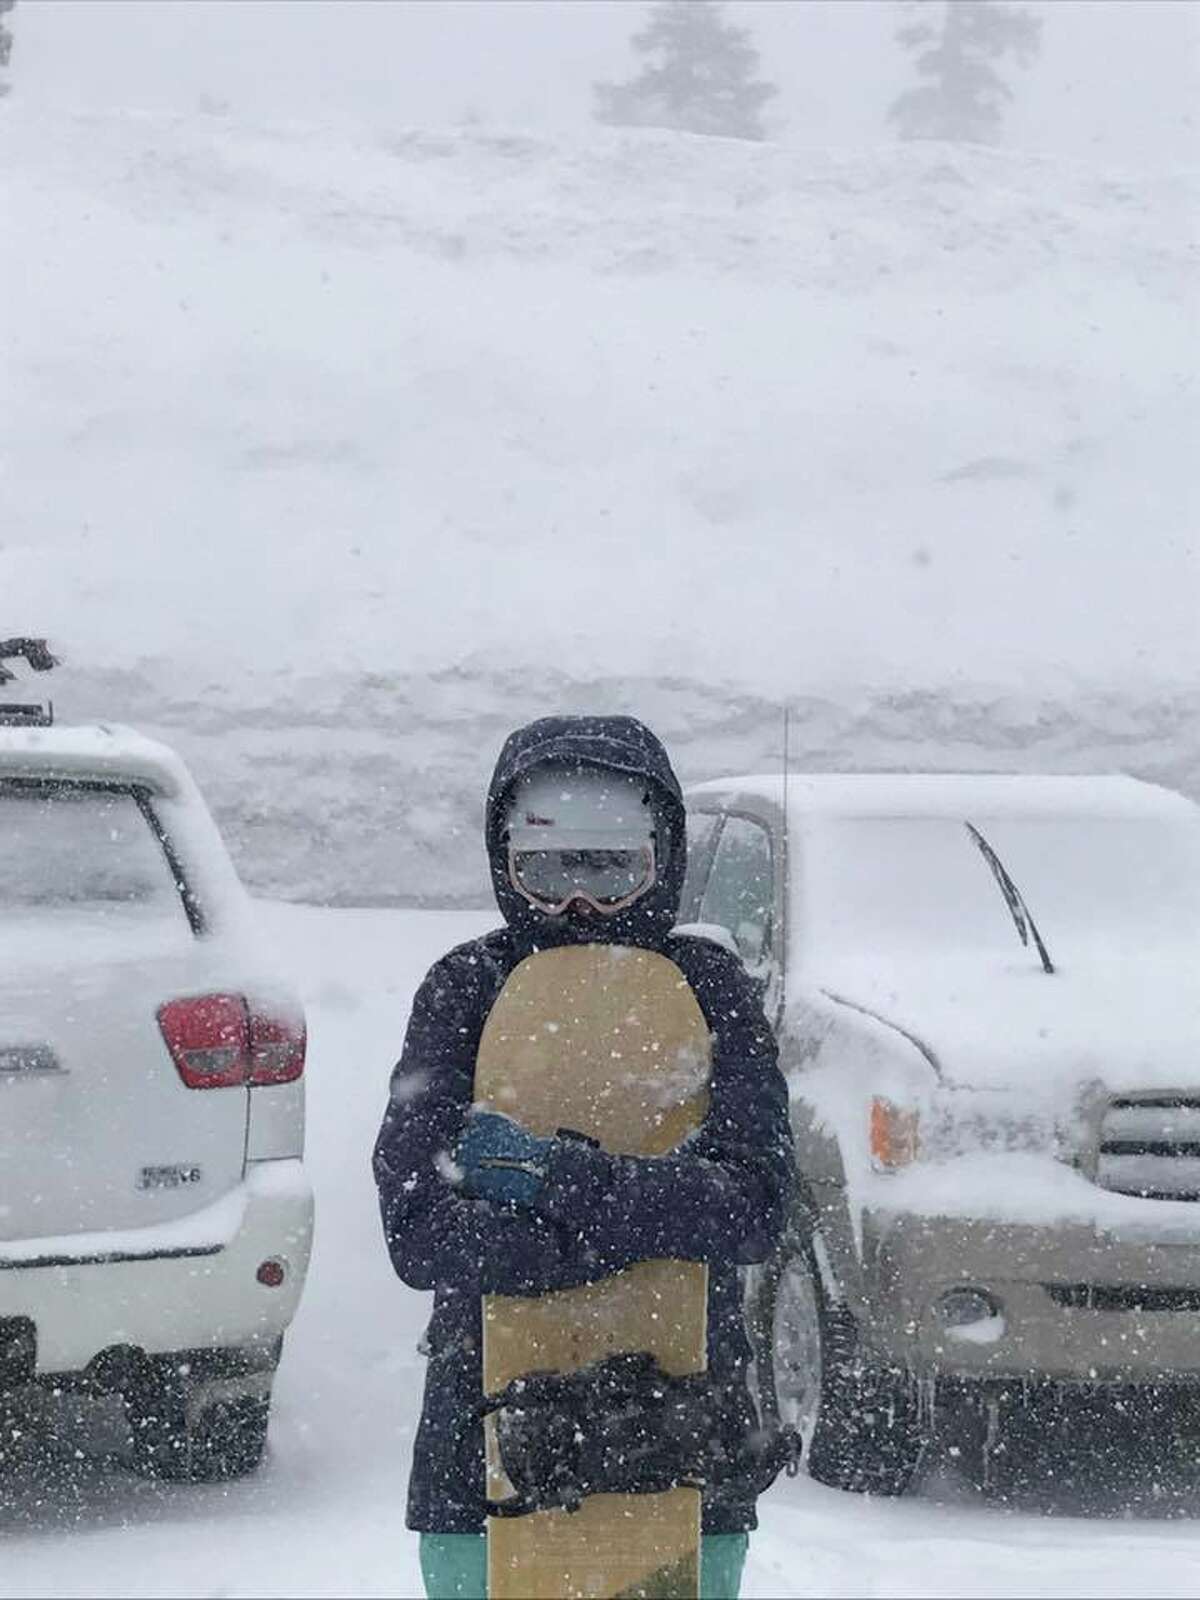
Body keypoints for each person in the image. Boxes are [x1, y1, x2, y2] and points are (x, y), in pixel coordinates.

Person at [373, 714, 795, 1600]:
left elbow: (754, 1207)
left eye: (609, 875)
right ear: (506, 864)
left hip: (681, 1441)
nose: (577, 910)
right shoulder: (464, 989)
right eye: (548, 874)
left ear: (661, 859)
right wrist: (637, 1222)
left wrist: (557, 1181)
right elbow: (419, 1231)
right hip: (484, 1449)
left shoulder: (711, 991)